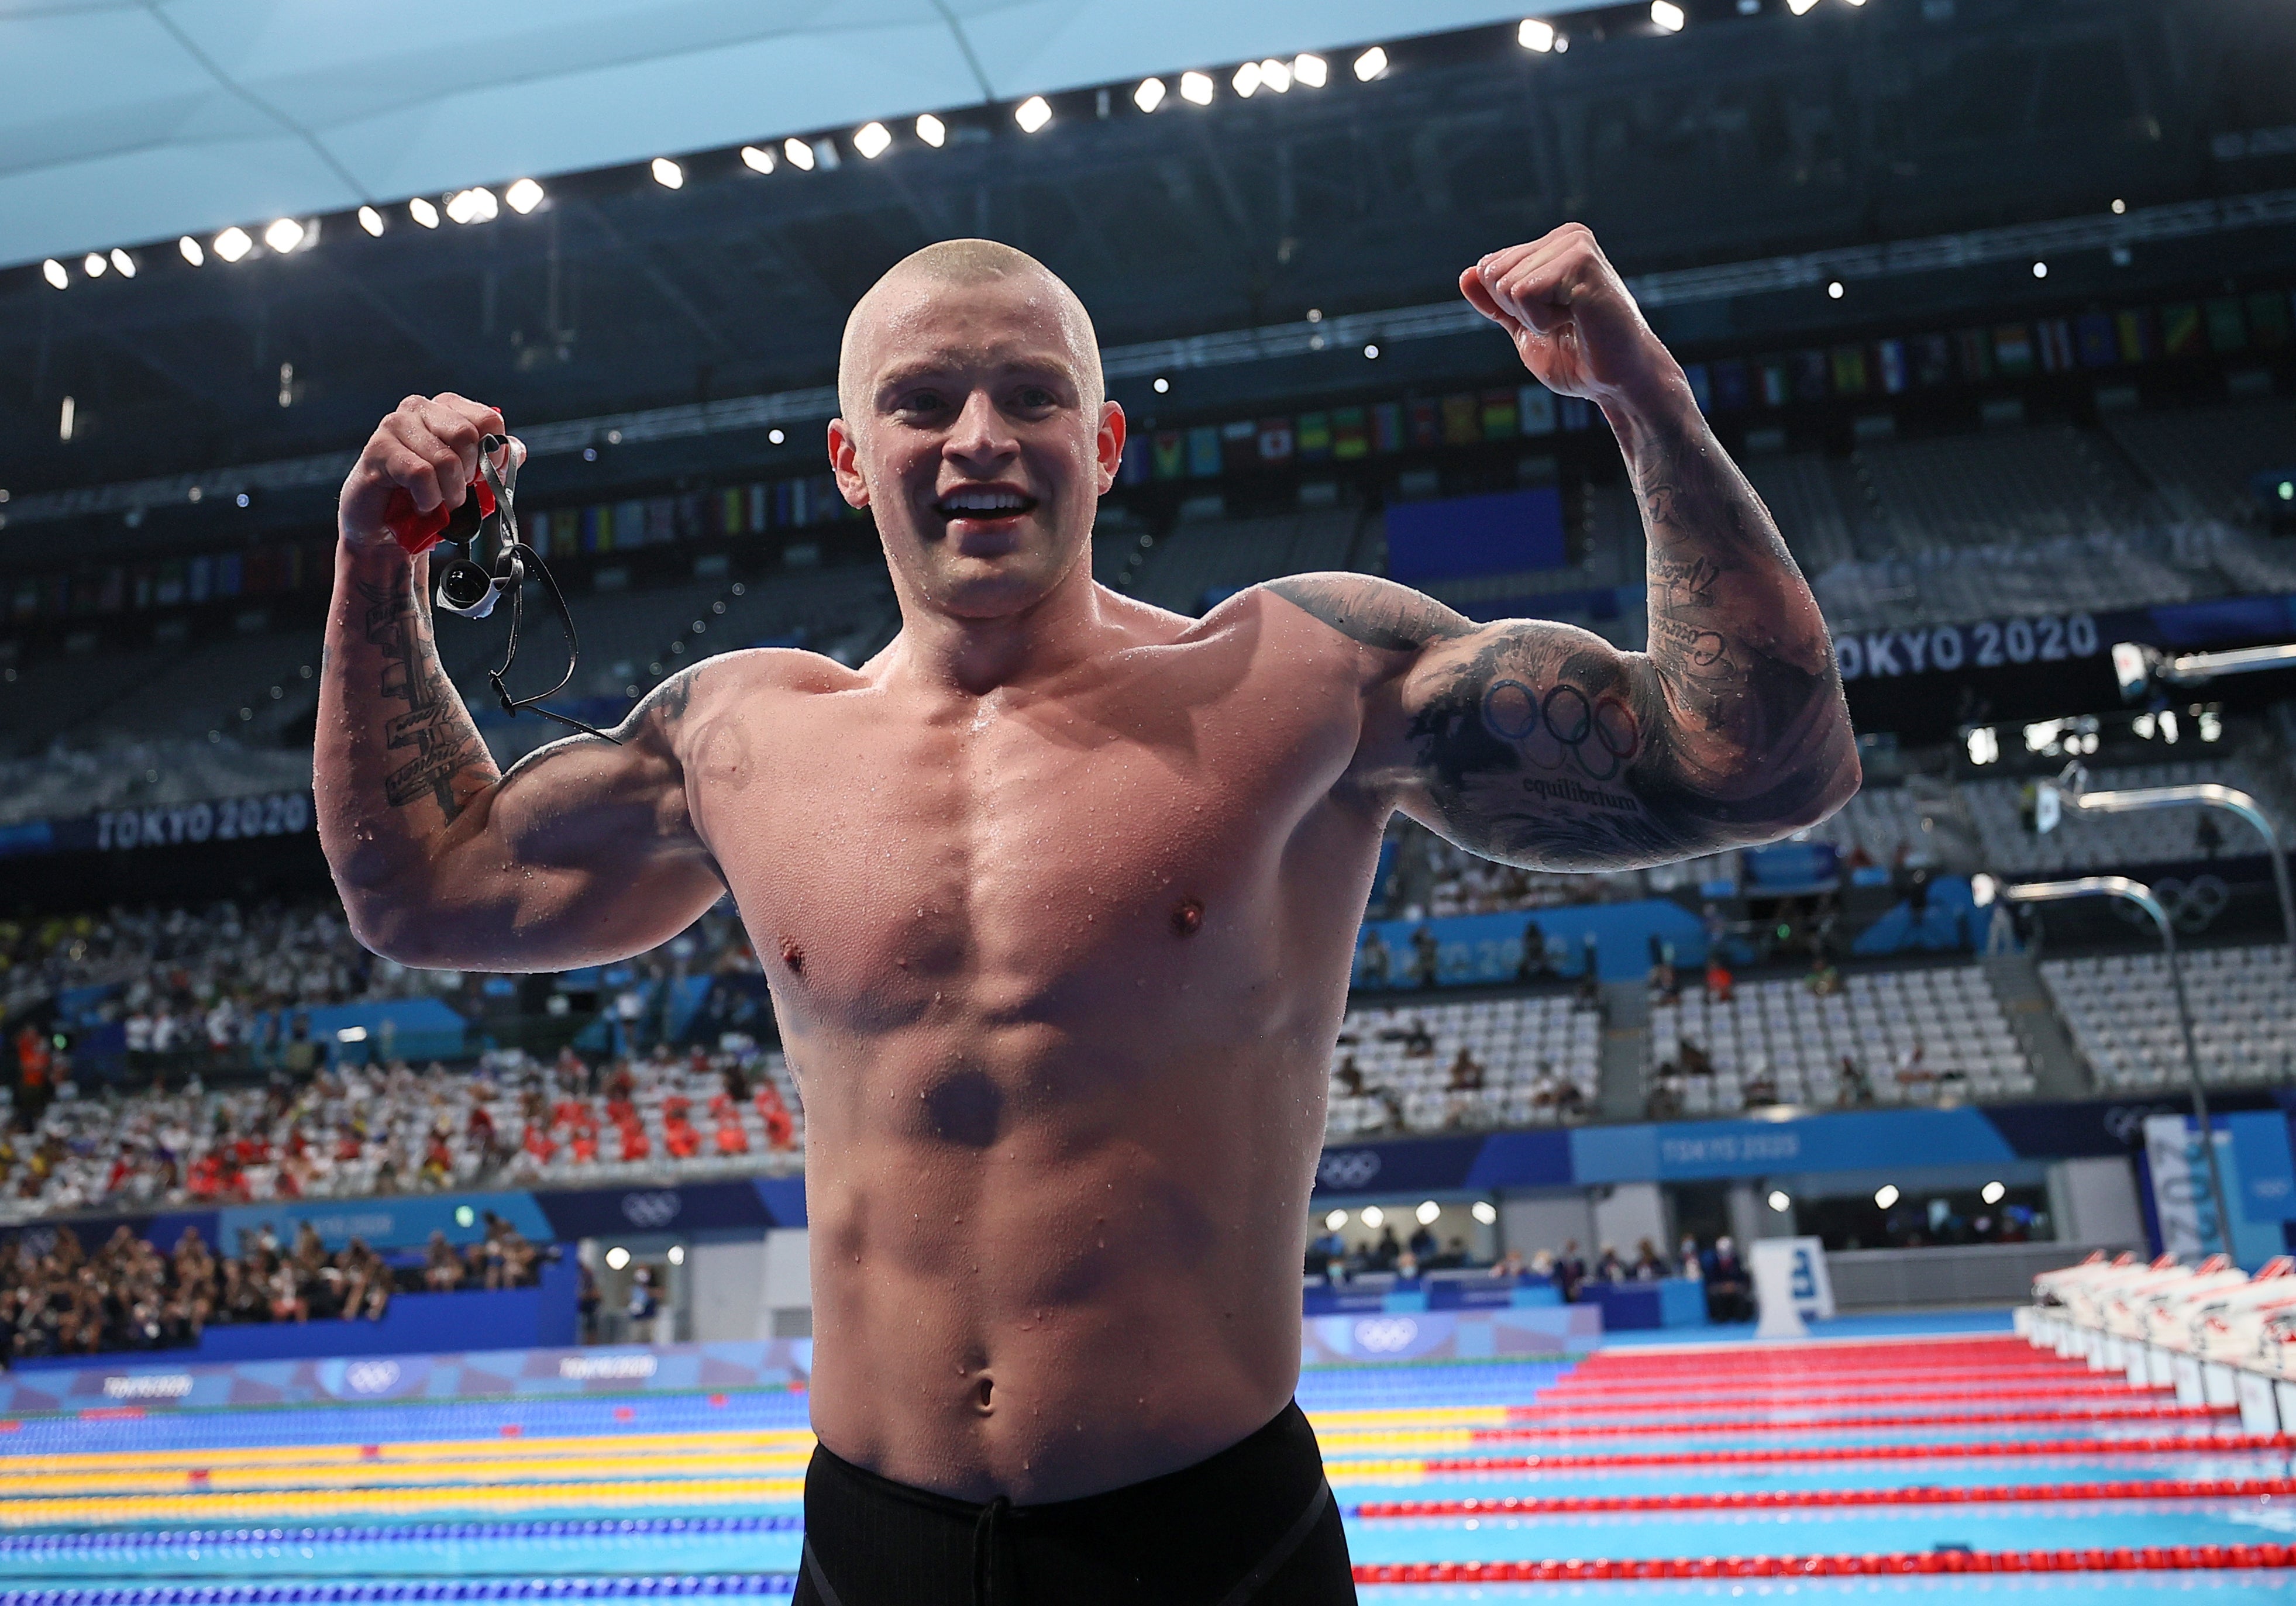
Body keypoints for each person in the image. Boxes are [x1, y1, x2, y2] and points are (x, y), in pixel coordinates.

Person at [315, 226, 1856, 1605]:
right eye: (921, 400)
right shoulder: (737, 740)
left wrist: (1642, 398)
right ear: (851, 458)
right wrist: (374, 559)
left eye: (1029, 395)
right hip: (872, 1554)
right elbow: (421, 888)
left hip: (1209, 1547)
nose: (978, 435)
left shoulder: (1298, 680)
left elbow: (1755, 767)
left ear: (1102, 441)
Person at [1703, 1235, 1753, 1323]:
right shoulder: (1713, 1262)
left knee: (1742, 1293)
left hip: (1734, 1286)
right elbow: (1711, 1279)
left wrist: (1733, 1285)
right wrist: (1722, 1287)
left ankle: (1741, 1317)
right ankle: (1720, 1317)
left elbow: (1741, 1276)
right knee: (1714, 1294)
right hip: (1719, 1286)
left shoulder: (1737, 1260)